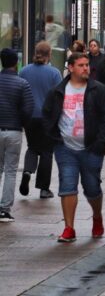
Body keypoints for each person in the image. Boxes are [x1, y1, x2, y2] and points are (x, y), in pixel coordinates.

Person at [43, 52, 105, 242]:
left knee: (92, 189)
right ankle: (69, 228)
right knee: (67, 185)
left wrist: (100, 142)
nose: (85, 68)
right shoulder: (58, 91)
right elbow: (47, 115)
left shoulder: (98, 90)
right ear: (71, 67)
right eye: (81, 65)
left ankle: (97, 217)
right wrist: (53, 136)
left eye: (87, 65)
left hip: (91, 148)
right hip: (65, 147)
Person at [18, 42, 62, 200]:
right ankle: (44, 188)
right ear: (49, 54)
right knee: (46, 152)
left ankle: (27, 172)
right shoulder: (54, 73)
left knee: (31, 147)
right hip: (47, 118)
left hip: (29, 117)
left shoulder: (24, 71)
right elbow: (59, 96)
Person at [0, 49, 34, 222]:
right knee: (10, 171)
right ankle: (4, 209)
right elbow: (28, 109)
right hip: (13, 131)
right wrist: (20, 121)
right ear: (16, 63)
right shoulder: (22, 84)